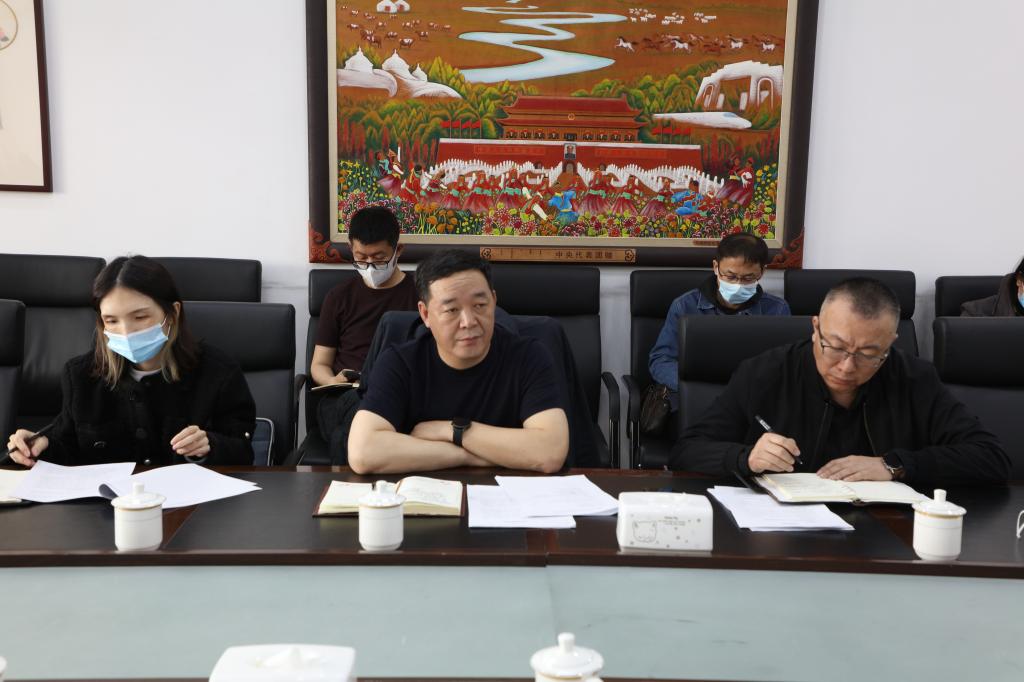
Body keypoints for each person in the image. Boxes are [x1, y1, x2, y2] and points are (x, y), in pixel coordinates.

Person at [672, 277, 1010, 485]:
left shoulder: (914, 378)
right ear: (815, 327)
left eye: (868, 354)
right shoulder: (764, 373)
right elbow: (687, 451)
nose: (847, 366)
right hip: (782, 535)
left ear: (891, 343)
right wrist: (746, 457)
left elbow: (991, 458)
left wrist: (895, 465)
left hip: (884, 537)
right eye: (834, 347)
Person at [5, 256, 256, 467]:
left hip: (190, 507)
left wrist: (208, 446)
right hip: (105, 508)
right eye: (112, 320)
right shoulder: (80, 376)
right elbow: (68, 449)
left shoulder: (218, 373)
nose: (126, 332)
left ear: (173, 313)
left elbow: (243, 453)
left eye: (140, 317)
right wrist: (41, 447)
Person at [347, 250, 569, 474]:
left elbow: (550, 452)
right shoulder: (400, 363)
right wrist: (468, 455)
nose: (468, 322)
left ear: (494, 301)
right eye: (452, 310)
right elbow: (363, 453)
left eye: (480, 305)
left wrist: (453, 431)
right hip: (425, 492)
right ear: (425, 315)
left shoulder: (528, 356)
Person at [310, 206, 418, 453]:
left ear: (398, 250)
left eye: (379, 259)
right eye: (361, 258)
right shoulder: (339, 297)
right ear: (351, 248)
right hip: (345, 397)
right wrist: (332, 380)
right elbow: (319, 364)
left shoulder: (421, 295)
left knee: (356, 431)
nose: (369, 266)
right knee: (359, 418)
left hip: (399, 394)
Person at [648, 232, 789, 412]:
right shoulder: (685, 306)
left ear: (762, 272)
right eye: (730, 277)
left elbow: (785, 367)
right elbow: (660, 361)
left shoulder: (777, 310)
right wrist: (693, 386)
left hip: (751, 402)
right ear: (716, 267)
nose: (738, 285)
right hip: (697, 401)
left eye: (748, 278)